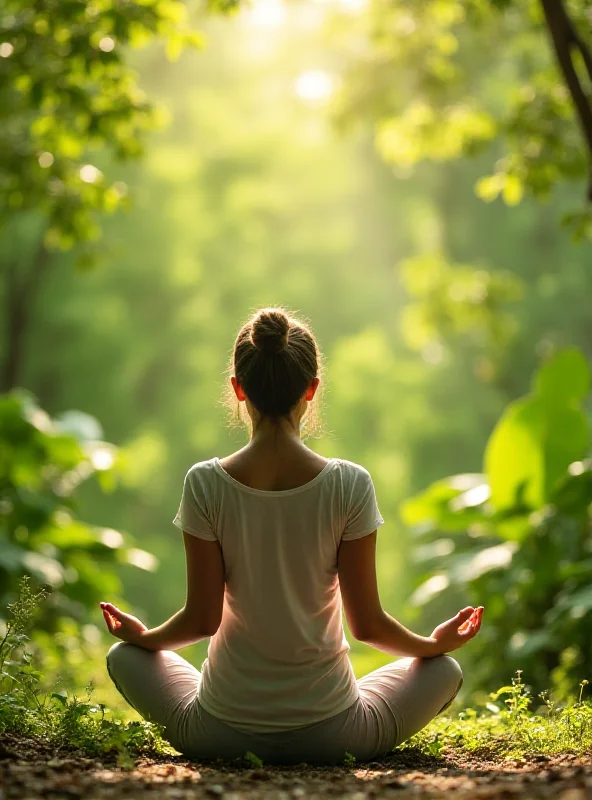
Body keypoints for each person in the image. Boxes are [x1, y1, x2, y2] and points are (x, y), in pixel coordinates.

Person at [101, 306, 483, 765]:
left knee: (124, 656)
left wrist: (146, 637)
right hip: (337, 733)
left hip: (218, 731)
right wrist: (431, 645)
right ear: (312, 389)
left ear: (238, 389)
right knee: (445, 671)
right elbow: (366, 625)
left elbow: (202, 621)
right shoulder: (350, 484)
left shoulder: (204, 482)